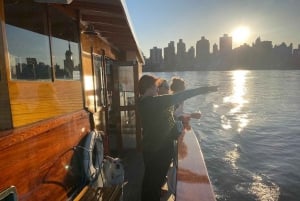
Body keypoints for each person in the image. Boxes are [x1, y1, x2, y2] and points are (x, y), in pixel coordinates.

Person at [137, 74, 217, 201]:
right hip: (159, 151)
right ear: (148, 87)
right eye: (155, 87)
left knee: (150, 181)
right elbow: (180, 96)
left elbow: (164, 118)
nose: (157, 89)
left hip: (150, 149)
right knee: (153, 183)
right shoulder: (152, 102)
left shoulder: (144, 103)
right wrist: (205, 89)